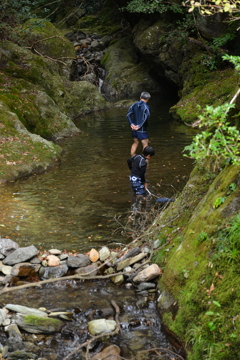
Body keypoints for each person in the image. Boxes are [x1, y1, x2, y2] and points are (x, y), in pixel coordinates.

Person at [126, 92, 151, 157]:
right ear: (148, 99)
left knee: (135, 143)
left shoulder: (133, 105)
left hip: (134, 128)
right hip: (142, 129)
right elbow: (146, 118)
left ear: (140, 97)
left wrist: (131, 124)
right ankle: (144, 160)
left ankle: (132, 156)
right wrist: (139, 125)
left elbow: (128, 115)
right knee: (145, 145)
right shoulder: (146, 107)